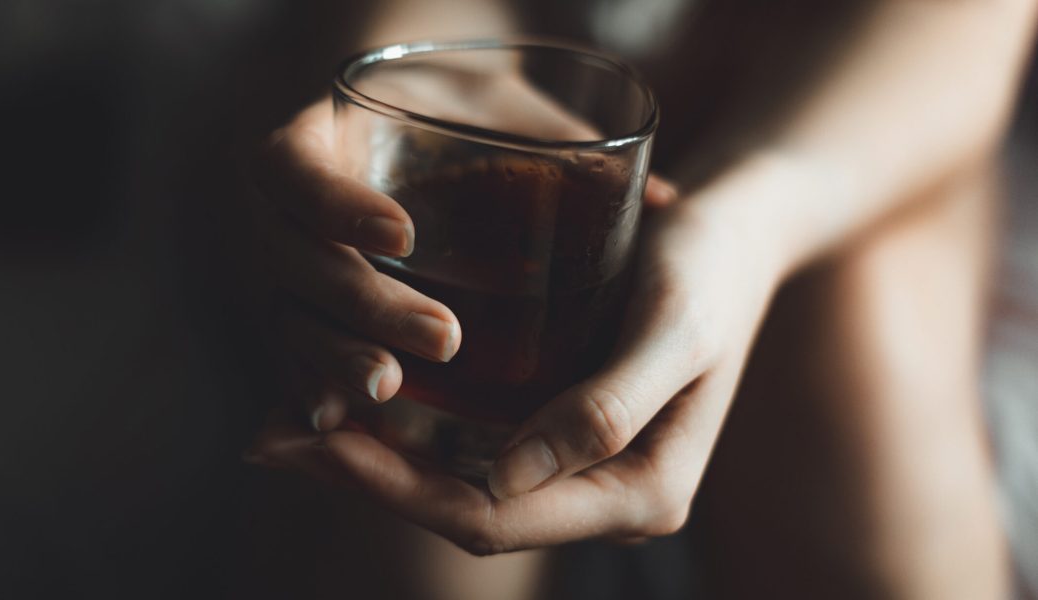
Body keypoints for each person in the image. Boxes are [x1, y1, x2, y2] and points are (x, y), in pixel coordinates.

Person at [243, 0, 1038, 598]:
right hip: (522, 50)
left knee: (860, 356)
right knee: (422, 499)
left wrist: (749, 222)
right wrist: (422, 94)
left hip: (853, 65)